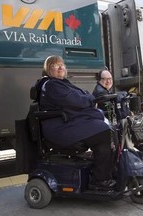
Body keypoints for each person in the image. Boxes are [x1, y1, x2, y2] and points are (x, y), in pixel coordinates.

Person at [36, 55, 116, 190]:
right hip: (61, 129)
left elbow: (82, 95)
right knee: (103, 132)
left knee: (110, 129)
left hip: (69, 123)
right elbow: (75, 101)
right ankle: (99, 180)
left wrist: (87, 99)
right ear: (48, 69)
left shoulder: (62, 83)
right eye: (56, 65)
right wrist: (89, 99)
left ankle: (107, 171)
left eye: (62, 64)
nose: (61, 67)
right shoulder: (51, 85)